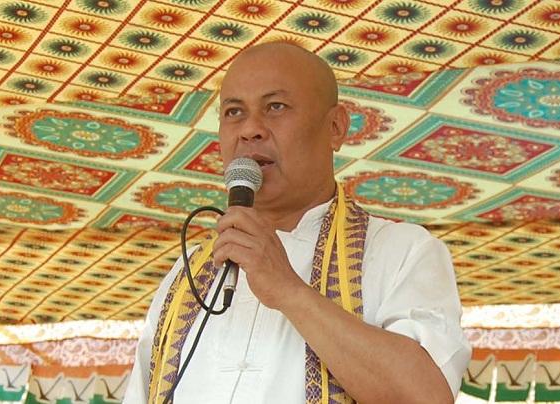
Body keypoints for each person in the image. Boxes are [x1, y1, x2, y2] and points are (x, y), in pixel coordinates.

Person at [125, 42, 471, 404]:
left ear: (335, 127)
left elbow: (425, 397)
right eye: (234, 112)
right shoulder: (188, 275)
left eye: (275, 107)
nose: (250, 129)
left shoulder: (401, 251)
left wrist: (288, 290)